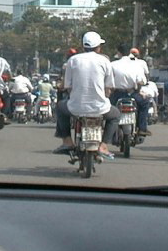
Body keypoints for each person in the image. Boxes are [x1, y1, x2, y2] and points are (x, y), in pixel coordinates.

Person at [53, 31, 120, 159]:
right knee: (115, 115)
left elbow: (67, 86)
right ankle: (104, 145)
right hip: (100, 108)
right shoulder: (105, 61)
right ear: (98, 47)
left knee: (60, 108)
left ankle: (67, 141)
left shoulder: (73, 60)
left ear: (83, 46)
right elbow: (109, 87)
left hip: (75, 107)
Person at [111, 43, 150, 137]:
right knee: (145, 103)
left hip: (117, 94)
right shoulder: (137, 64)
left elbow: (108, 81)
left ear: (118, 53)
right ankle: (142, 128)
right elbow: (142, 81)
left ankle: (107, 131)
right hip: (132, 94)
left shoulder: (112, 65)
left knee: (107, 110)